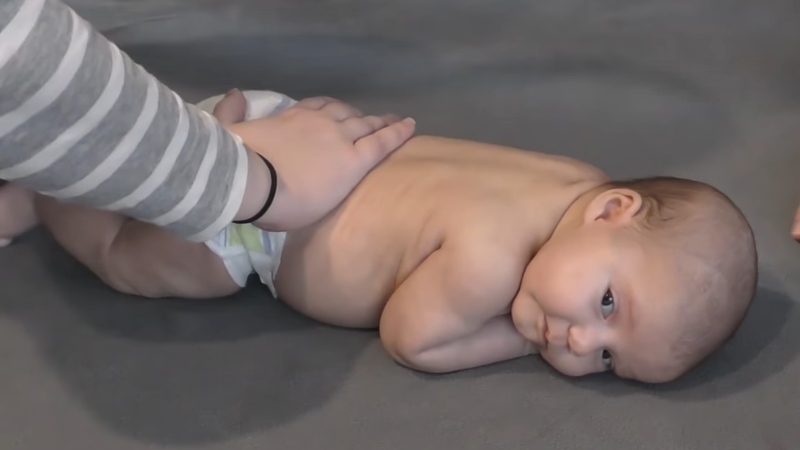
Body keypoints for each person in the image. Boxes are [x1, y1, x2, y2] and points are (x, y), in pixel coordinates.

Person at [0, 90, 759, 384]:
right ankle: (54, 183)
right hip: (257, 229)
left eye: (605, 360)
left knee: (173, 159)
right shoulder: (491, 269)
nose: (573, 338)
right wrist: (517, 340)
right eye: (604, 305)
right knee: (129, 260)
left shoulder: (576, 179)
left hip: (296, 132)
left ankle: (167, 140)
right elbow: (411, 338)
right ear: (612, 212)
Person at [0, 0, 415, 242]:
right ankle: (45, 196)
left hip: (266, 156)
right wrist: (254, 184)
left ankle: (43, 191)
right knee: (119, 251)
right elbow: (26, 66)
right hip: (262, 196)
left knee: (123, 251)